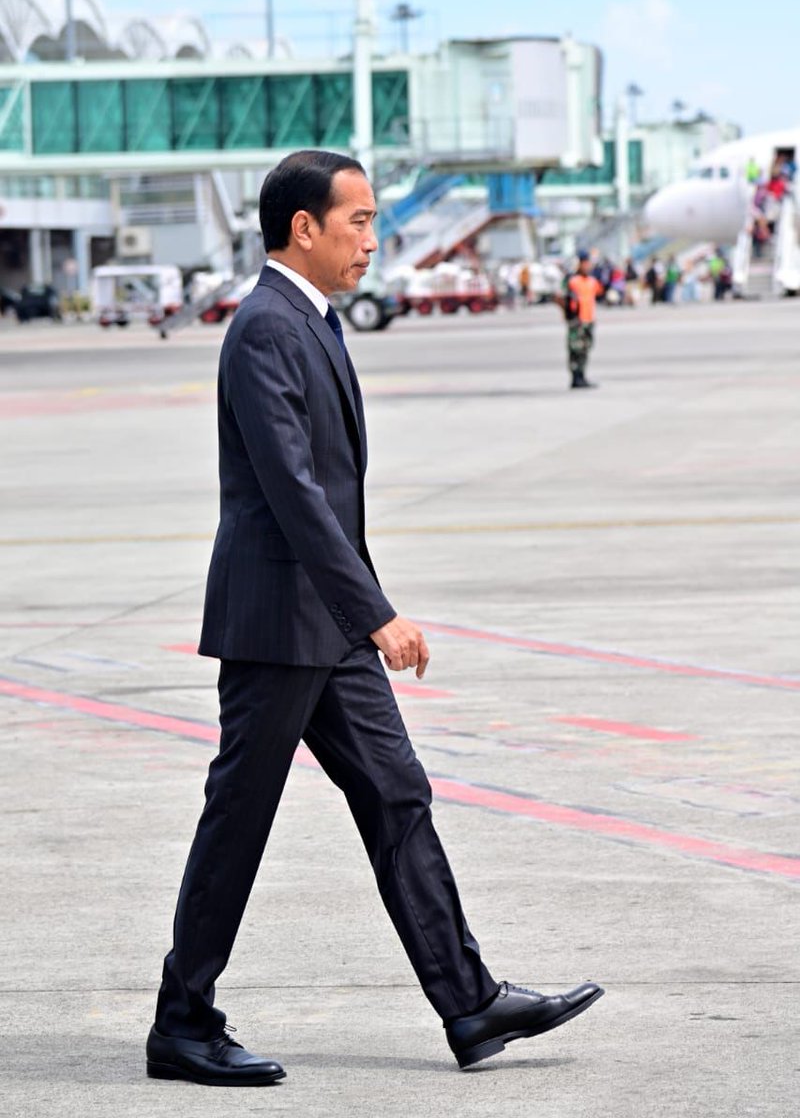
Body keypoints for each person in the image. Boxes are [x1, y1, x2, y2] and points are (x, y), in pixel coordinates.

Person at [146, 150, 604, 1087]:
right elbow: (293, 492)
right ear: (302, 228)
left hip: (328, 622)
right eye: (357, 220)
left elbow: (329, 493)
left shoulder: (314, 322)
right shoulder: (267, 328)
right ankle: (182, 1021)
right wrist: (379, 612)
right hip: (280, 622)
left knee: (398, 793)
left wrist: (360, 610)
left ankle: (469, 1003)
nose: (374, 237)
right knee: (240, 817)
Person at [560, 251, 603, 389]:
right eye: (584, 263)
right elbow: (562, 297)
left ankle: (582, 375)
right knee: (575, 349)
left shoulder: (592, 281)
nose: (587, 266)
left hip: (589, 320)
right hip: (576, 321)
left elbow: (600, 292)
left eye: (588, 263)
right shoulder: (572, 281)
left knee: (585, 348)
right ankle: (575, 377)